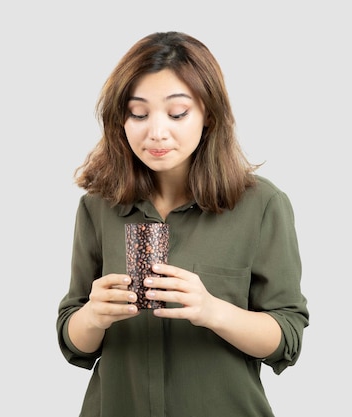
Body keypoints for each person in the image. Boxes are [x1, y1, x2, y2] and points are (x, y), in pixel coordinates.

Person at [56, 31, 309, 417]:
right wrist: (92, 315)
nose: (156, 132)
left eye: (177, 114)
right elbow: (72, 339)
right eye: (138, 114)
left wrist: (212, 310)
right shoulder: (98, 207)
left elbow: (287, 338)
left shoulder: (261, 205)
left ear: (208, 115)